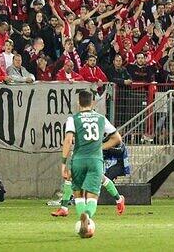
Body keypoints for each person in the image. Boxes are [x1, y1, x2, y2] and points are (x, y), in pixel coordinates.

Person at [61, 91, 122, 238]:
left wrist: (63, 163)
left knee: (78, 194)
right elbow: (117, 138)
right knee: (92, 196)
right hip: (95, 159)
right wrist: (100, 147)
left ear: (78, 103)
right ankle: (87, 215)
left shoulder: (73, 119)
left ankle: (81, 214)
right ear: (92, 103)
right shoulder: (101, 118)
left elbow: (68, 141)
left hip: (78, 160)